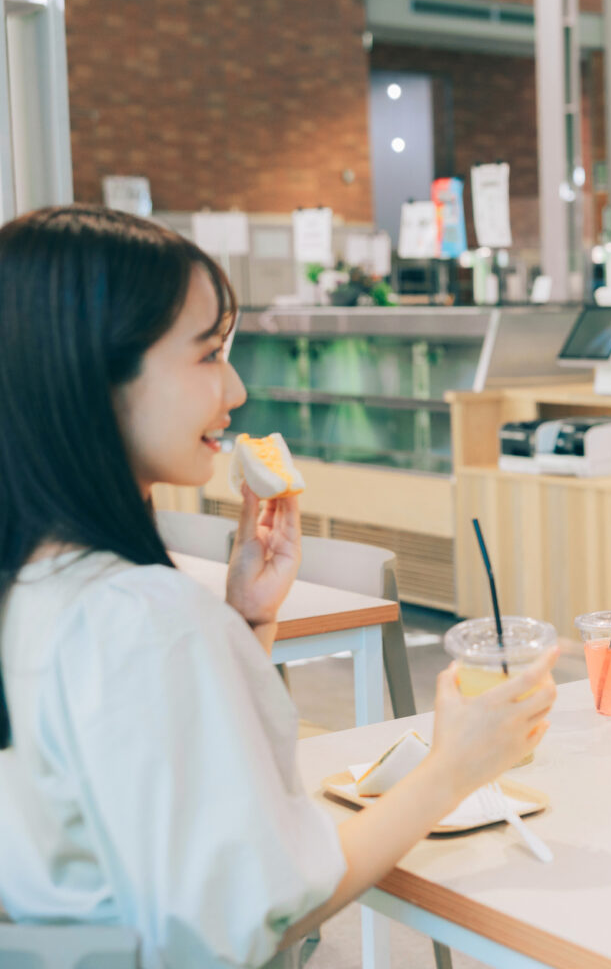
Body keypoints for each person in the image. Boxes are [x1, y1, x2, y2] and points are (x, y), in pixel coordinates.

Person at [0, 206, 558, 967]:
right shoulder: (146, 616)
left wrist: (245, 622)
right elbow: (262, 911)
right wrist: (453, 769)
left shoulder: (38, 583)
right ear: (92, 377)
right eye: (205, 356)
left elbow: (169, 805)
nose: (234, 389)